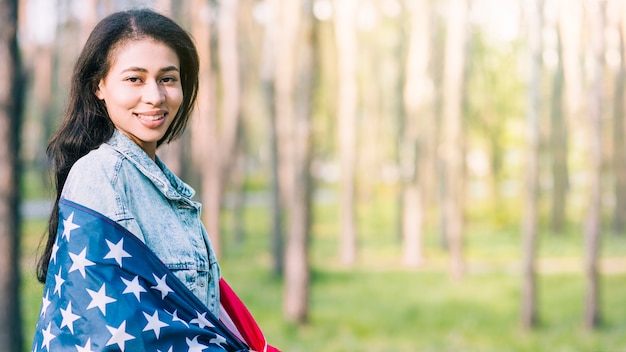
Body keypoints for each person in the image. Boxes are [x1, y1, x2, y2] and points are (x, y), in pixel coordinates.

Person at [33, 9, 277, 352]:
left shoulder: (165, 186)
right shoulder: (101, 175)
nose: (155, 96)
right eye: (135, 79)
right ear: (99, 86)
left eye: (167, 78)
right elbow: (117, 330)